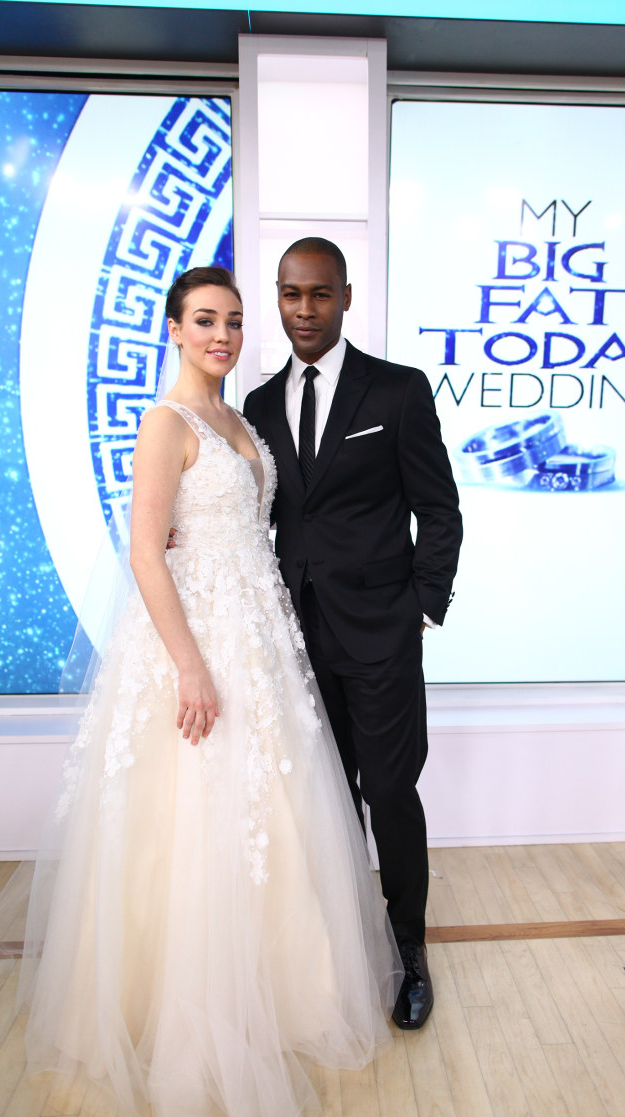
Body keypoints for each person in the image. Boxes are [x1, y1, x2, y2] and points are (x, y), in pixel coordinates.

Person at [0, 266, 400, 1117]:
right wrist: (191, 668)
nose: (223, 334)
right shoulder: (164, 423)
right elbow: (144, 552)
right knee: (190, 825)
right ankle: (186, 1016)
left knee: (274, 815)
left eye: (235, 322)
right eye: (206, 320)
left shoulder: (240, 420)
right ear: (174, 328)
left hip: (261, 639)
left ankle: (285, 994)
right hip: (196, 644)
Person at [243, 238, 463, 1031]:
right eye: (291, 294)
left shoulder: (398, 392)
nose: (305, 310)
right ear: (280, 297)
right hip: (295, 644)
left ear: (345, 297)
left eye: (320, 295)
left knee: (392, 795)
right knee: (325, 801)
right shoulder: (260, 406)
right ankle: (340, 951)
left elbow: (440, 510)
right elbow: (255, 519)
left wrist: (420, 609)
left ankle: (410, 953)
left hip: (381, 638)